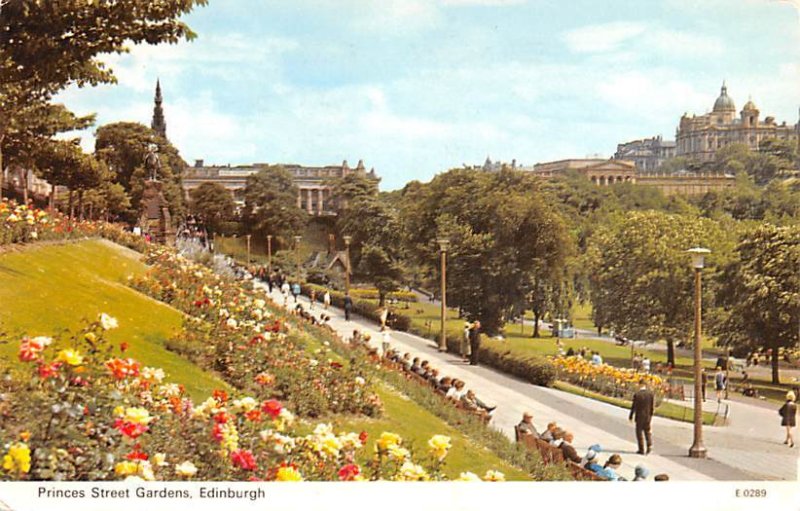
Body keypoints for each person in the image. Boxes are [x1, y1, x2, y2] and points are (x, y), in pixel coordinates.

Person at [629, 379, 655, 455]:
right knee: (647, 431)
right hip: (647, 416)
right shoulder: (650, 394)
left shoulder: (637, 394)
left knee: (639, 432)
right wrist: (650, 415)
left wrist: (631, 416)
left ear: (640, 385)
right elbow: (652, 406)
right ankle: (649, 445)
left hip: (640, 416)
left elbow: (634, 406)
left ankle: (641, 449)